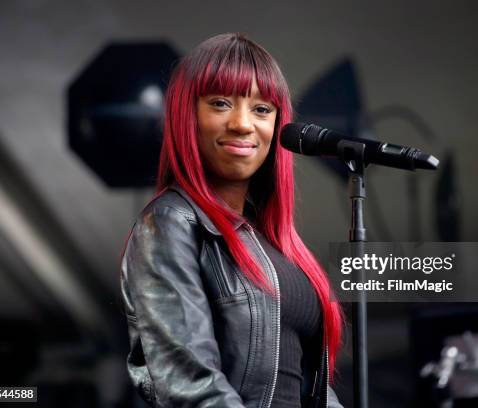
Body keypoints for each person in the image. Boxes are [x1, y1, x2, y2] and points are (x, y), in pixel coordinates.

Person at [120, 33, 345, 408]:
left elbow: (310, 387)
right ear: (186, 116)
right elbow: (190, 384)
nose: (243, 124)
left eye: (262, 110)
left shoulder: (274, 244)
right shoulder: (169, 223)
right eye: (221, 103)